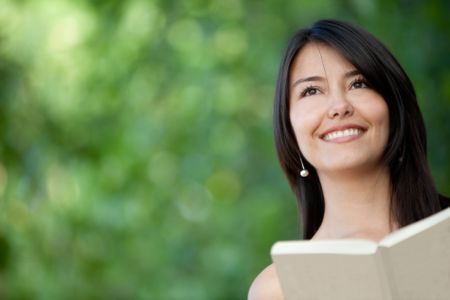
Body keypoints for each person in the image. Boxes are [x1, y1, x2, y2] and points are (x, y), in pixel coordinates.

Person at [248, 19, 449, 300]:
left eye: (359, 83)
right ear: (289, 128)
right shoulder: (278, 289)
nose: (339, 107)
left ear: (394, 108)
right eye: (311, 91)